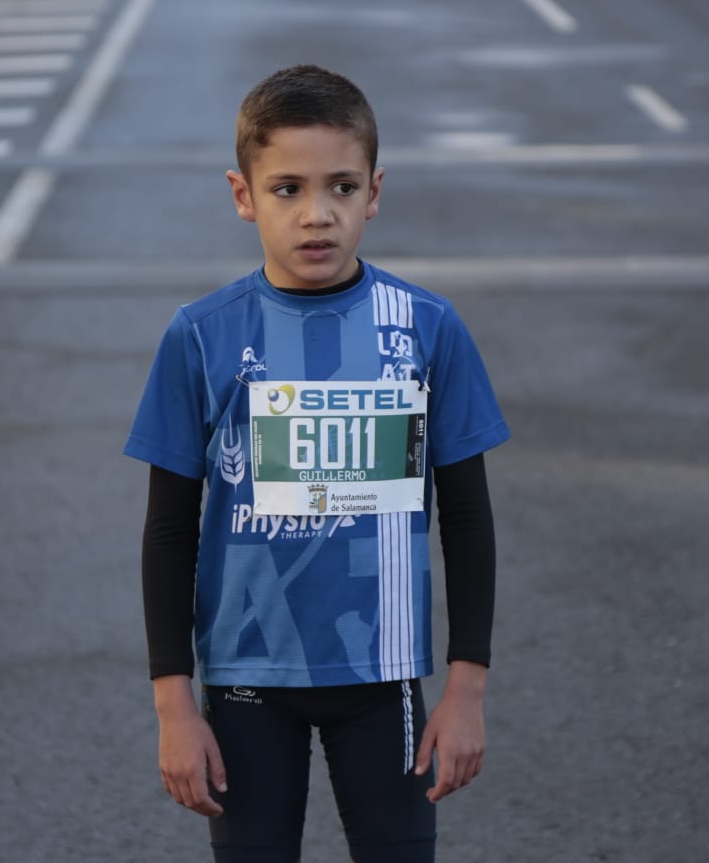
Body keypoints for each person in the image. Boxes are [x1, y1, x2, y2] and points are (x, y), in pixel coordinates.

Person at [124, 64, 510, 862]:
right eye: (287, 189)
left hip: (383, 681)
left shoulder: (428, 328)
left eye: (340, 187)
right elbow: (169, 530)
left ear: (375, 190)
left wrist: (465, 690)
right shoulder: (200, 336)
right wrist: (174, 707)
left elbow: (467, 517)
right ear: (243, 195)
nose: (317, 215)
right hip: (244, 681)